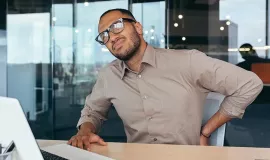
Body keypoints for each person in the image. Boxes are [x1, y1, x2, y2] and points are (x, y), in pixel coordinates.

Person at [68, 8, 263, 150]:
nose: (111, 37)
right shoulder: (108, 75)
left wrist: (207, 130)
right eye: (104, 35)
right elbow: (93, 111)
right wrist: (85, 130)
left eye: (117, 26)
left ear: (138, 27)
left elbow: (249, 84)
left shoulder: (187, 61)